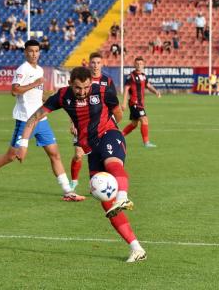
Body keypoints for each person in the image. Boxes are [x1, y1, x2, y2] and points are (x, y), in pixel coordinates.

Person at [16, 66, 147, 263]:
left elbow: (117, 113)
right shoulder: (62, 96)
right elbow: (35, 117)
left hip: (109, 134)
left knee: (112, 163)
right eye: (78, 88)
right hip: (91, 149)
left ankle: (123, 196)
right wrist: (23, 143)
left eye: (86, 87)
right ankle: (136, 248)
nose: (83, 92)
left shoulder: (102, 90)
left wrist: (109, 127)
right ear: (70, 84)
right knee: (105, 202)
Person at [0, 39, 84, 201]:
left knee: (54, 154)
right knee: (11, 156)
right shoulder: (22, 70)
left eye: (36, 51)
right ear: (25, 52)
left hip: (41, 120)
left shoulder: (39, 69)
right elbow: (14, 90)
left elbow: (39, 95)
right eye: (31, 51)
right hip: (25, 120)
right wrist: (34, 83)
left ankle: (68, 191)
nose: (34, 54)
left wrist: (49, 96)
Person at [69, 52, 113, 190]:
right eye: (93, 62)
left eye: (98, 62)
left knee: (101, 154)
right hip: (82, 124)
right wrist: (72, 122)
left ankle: (99, 184)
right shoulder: (81, 80)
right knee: (78, 154)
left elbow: (111, 104)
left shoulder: (107, 81)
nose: (95, 65)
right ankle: (74, 182)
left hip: (101, 126)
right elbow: (71, 103)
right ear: (89, 63)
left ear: (102, 63)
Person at [121, 56, 161, 147]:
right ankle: (146, 142)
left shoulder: (143, 76)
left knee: (134, 124)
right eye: (137, 63)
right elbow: (126, 89)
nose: (139, 65)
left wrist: (156, 92)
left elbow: (148, 86)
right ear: (134, 64)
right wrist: (123, 103)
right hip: (134, 103)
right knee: (144, 119)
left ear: (144, 65)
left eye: (141, 64)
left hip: (140, 104)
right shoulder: (130, 76)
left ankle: (120, 136)